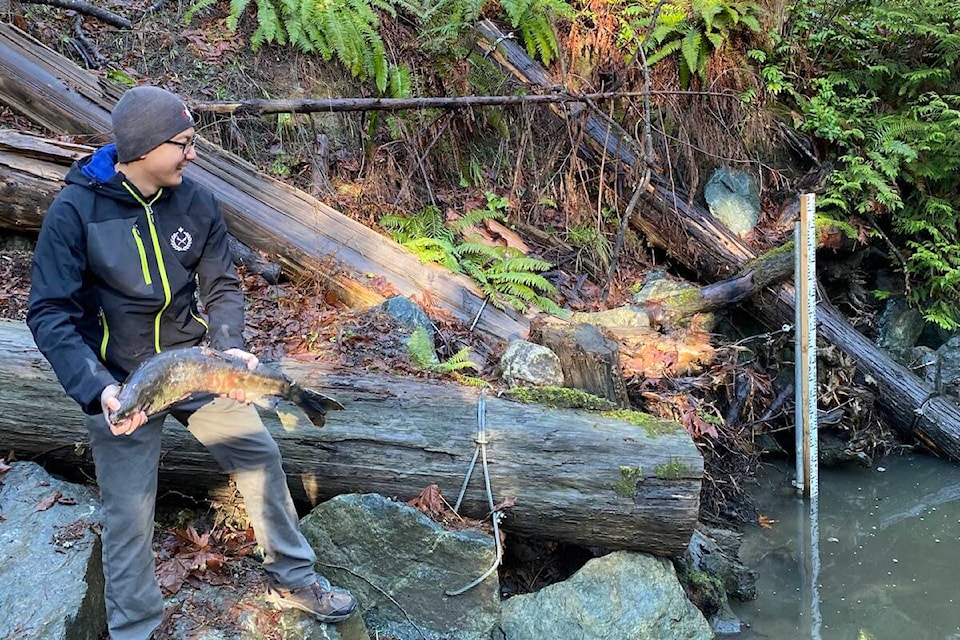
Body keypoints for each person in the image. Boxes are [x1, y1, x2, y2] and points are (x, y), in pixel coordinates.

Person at [26, 85, 357, 640]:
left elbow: (222, 284)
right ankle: (135, 629)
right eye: (184, 143)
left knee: (260, 455)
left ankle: (293, 579)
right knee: (128, 513)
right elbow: (49, 313)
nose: (193, 154)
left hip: (196, 366)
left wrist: (229, 342)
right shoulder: (75, 213)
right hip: (120, 382)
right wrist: (96, 387)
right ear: (143, 148)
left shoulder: (196, 202)